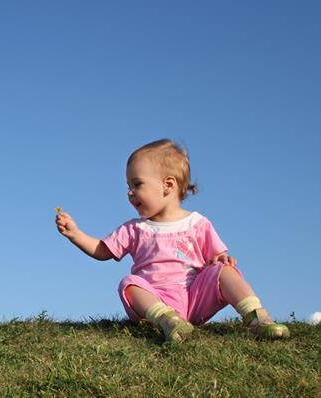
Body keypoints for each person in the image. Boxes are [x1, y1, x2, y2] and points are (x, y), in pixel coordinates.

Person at [55, 139, 289, 343]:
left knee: (225, 271)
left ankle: (256, 318)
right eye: (128, 187)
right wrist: (76, 234)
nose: (129, 192)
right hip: (156, 299)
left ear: (167, 185)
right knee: (130, 283)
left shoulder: (198, 224)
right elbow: (103, 250)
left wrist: (220, 259)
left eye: (137, 184)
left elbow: (214, 259)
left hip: (194, 297)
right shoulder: (135, 228)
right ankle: (167, 321)